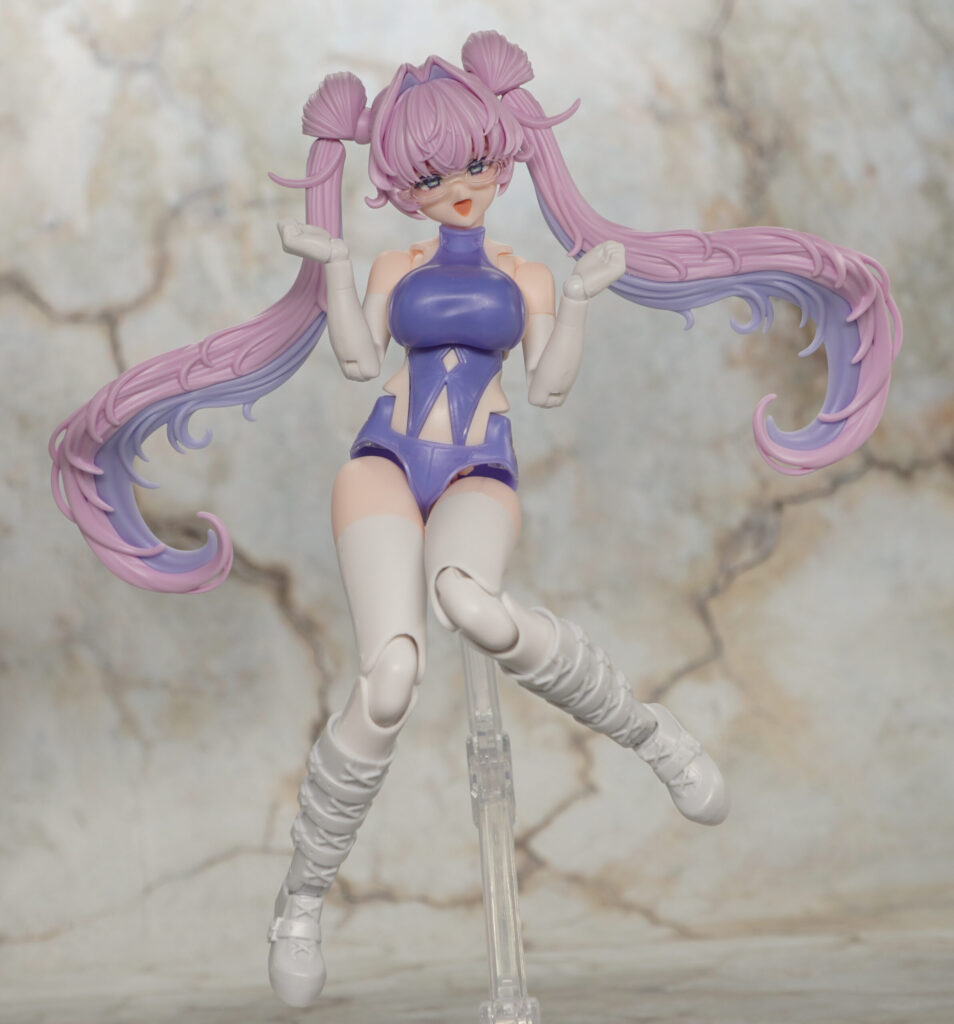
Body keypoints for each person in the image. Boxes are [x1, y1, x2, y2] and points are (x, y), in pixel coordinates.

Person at [49, 31, 901, 1008]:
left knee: (474, 605)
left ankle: (650, 732)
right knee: (390, 680)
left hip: (477, 464)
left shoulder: (526, 275)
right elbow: (359, 361)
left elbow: (550, 383)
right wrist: (335, 268)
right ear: (399, 184)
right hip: (384, 460)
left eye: (477, 163)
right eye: (433, 174)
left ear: (507, 156)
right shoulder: (394, 266)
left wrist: (578, 300)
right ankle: (301, 899)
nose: (461, 186)